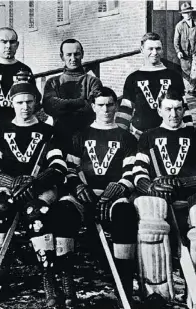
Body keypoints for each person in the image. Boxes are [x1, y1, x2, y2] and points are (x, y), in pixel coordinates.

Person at [0, 80, 75, 308]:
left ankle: (49, 277)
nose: (25, 106)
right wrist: (12, 181)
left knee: (36, 212)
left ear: (36, 103)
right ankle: (0, 272)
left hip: (40, 188)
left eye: (29, 101)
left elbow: (58, 166)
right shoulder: (0, 130)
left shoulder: (48, 132)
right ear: (11, 102)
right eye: (20, 102)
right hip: (10, 187)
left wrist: (34, 183)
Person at [133, 89, 196, 308]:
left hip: (191, 196)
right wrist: (152, 187)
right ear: (159, 110)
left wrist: (184, 183)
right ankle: (157, 292)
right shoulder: (148, 137)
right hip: (160, 198)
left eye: (177, 108)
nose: (173, 114)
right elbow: (138, 173)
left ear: (184, 109)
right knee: (150, 223)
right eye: (168, 109)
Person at [62, 87, 138, 306]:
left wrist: (116, 190)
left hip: (112, 198)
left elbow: (131, 172)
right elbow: (69, 168)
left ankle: (124, 284)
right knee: (63, 212)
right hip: (84, 195)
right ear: (93, 107)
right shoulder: (81, 135)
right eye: (101, 105)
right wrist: (77, 185)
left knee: (125, 214)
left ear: (116, 106)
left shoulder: (126, 137)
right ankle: (68, 288)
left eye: (110, 104)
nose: (106, 109)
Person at [117, 32, 193, 140]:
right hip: (140, 136)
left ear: (162, 50)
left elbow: (183, 107)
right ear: (142, 50)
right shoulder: (133, 78)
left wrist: (190, 132)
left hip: (169, 136)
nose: (154, 52)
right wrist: (118, 136)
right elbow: (125, 110)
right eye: (150, 49)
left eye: (158, 49)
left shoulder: (174, 76)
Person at [42, 38, 103, 144]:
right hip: (60, 135)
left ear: (82, 54)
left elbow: (93, 108)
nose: (73, 58)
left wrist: (62, 106)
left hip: (87, 136)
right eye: (68, 55)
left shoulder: (93, 81)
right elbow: (49, 106)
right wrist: (81, 102)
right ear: (62, 56)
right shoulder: (53, 82)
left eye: (77, 54)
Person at [173, 1, 196, 97]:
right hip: (184, 54)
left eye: (188, 12)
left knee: (195, 71)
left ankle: (194, 90)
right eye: (185, 13)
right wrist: (178, 51)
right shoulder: (179, 26)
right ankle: (189, 90)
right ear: (182, 14)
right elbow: (176, 41)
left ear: (191, 13)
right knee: (186, 72)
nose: (187, 14)